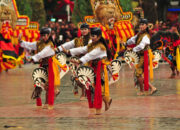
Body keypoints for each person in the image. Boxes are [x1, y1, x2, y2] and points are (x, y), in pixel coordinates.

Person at [65, 27, 112, 115]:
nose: (92, 37)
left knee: (99, 89)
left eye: (93, 36)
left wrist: (79, 61)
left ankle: (100, 107)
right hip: (92, 67)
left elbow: (90, 55)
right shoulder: (92, 44)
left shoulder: (100, 47)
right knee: (91, 87)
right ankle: (106, 101)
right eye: (91, 36)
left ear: (98, 37)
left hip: (100, 68)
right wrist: (69, 51)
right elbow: (83, 49)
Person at [19, 27, 60, 109]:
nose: (43, 37)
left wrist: (32, 58)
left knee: (49, 85)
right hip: (42, 65)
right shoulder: (39, 43)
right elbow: (30, 45)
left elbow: (42, 53)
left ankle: (48, 103)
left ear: (48, 35)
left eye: (44, 35)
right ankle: (50, 95)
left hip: (51, 66)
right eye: (42, 35)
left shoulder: (50, 45)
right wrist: (21, 41)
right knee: (38, 84)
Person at [56, 23, 92, 101]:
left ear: (88, 30)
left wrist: (69, 51)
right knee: (76, 79)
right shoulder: (77, 40)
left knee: (85, 77)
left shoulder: (91, 40)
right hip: (78, 62)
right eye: (82, 29)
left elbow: (85, 49)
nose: (84, 31)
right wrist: (57, 49)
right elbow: (67, 45)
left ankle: (84, 93)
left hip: (89, 61)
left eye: (85, 29)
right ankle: (86, 92)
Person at [126, 19, 157, 96]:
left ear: (146, 26)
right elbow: (133, 40)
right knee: (138, 73)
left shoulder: (146, 35)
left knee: (138, 73)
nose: (141, 26)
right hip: (141, 56)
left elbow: (141, 46)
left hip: (145, 56)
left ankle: (143, 90)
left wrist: (132, 49)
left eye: (143, 24)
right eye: (140, 24)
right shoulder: (140, 34)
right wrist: (126, 43)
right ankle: (151, 88)